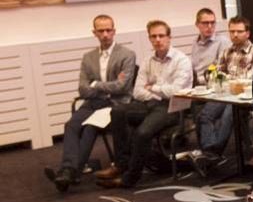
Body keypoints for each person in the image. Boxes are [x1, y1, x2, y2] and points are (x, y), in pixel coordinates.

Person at [95, 20, 192, 188]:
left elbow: (176, 91)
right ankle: (121, 164)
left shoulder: (181, 60)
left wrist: (153, 87)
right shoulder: (148, 60)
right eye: (153, 36)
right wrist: (156, 93)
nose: (158, 40)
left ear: (169, 37)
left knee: (142, 132)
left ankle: (130, 178)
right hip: (150, 103)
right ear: (149, 39)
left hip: (173, 107)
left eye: (161, 35)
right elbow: (138, 91)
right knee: (117, 111)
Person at [44, 15, 135, 192]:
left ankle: (70, 172)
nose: (106, 34)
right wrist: (103, 87)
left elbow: (122, 87)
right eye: (101, 31)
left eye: (109, 30)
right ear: (94, 33)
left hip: (115, 104)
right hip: (93, 102)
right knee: (71, 125)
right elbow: (83, 89)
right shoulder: (88, 58)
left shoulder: (127, 55)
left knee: (89, 128)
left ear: (114, 31)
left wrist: (96, 84)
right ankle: (70, 171)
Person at [192, 16, 253, 174]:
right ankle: (210, 152)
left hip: (242, 99)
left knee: (228, 116)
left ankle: (211, 153)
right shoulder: (226, 52)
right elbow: (215, 74)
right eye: (232, 31)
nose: (235, 35)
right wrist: (224, 79)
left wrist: (226, 79)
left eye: (239, 31)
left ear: (248, 33)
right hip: (223, 94)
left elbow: (249, 80)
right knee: (204, 116)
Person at [190, 8, 229, 85]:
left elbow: (222, 71)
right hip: (195, 83)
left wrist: (198, 80)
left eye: (212, 23)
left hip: (212, 84)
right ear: (197, 24)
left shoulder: (222, 42)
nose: (210, 26)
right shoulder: (195, 42)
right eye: (205, 23)